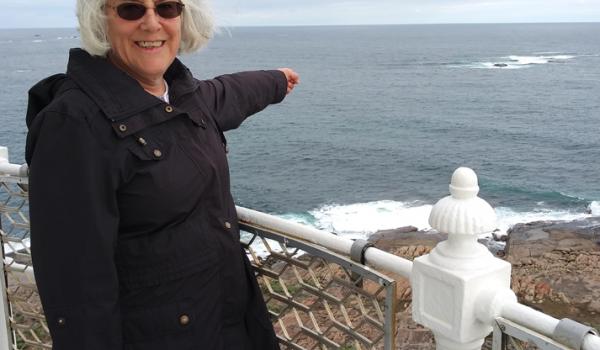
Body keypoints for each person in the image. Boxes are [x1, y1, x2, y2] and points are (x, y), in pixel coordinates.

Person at [24, 0, 299, 349]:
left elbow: (229, 93)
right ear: (101, 19)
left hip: (229, 322)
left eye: (166, 7)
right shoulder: (74, 125)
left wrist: (276, 81)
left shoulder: (180, 94)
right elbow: (77, 289)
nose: (152, 23)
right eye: (131, 9)